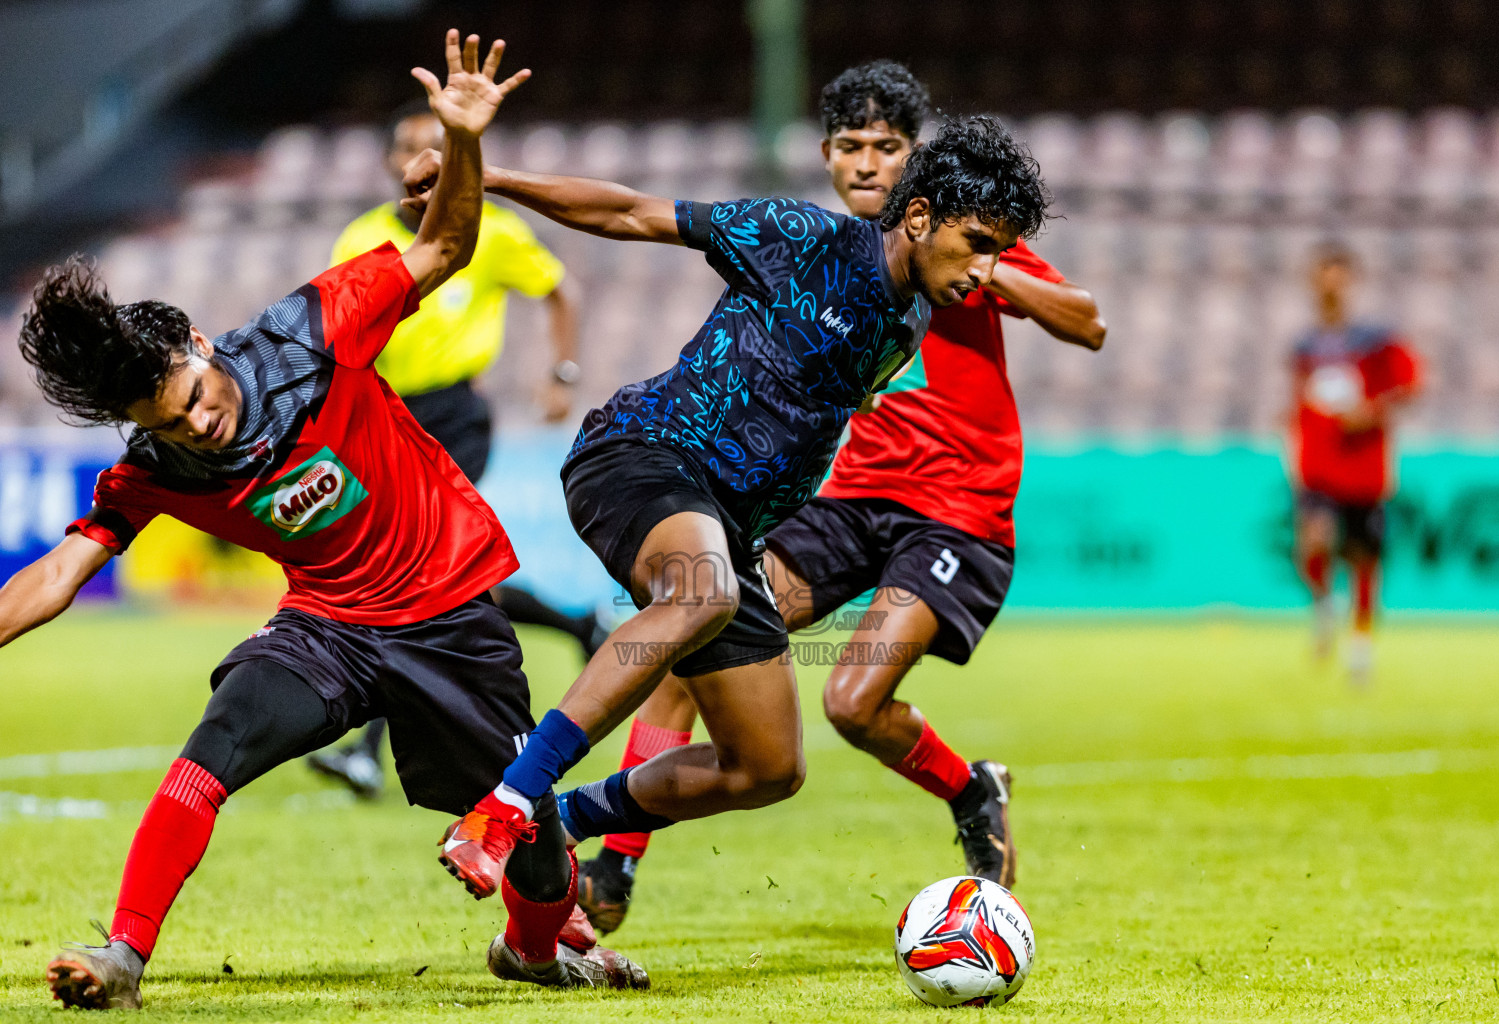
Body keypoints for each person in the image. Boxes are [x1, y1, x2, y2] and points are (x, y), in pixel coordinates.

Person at [0, 32, 643, 1010]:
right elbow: (61, 569)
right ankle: (124, 957)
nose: (197, 427)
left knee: (543, 857)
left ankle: (537, 944)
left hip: (454, 614)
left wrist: (464, 144)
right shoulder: (157, 466)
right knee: (212, 747)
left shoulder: (315, 329)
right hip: (329, 629)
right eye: (168, 425)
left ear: (202, 342)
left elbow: (443, 247)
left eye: (194, 397)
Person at [417, 108, 1052, 908]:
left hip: (731, 527)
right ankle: (504, 807)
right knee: (702, 593)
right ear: (919, 218)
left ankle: (562, 823)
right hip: (643, 453)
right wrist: (489, 174)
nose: (988, 273)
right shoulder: (803, 235)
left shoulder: (913, 318)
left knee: (767, 766)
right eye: (981, 245)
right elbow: (630, 212)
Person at [576, 62, 1107, 932]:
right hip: (848, 496)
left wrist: (988, 264)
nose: (869, 166)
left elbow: (1087, 321)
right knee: (698, 632)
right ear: (828, 158)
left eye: (889, 148)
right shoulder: (819, 249)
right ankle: (613, 869)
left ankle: (970, 788)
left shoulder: (959, 242)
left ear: (916, 166)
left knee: (851, 702)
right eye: (853, 148)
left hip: (954, 504)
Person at [308, 102, 606, 800]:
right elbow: (337, 326)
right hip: (382, 414)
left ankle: (368, 749)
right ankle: (577, 623)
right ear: (391, 164)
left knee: (406, 565)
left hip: (454, 417)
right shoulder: (361, 237)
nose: (423, 164)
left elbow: (562, 291)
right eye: (410, 149)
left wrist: (562, 374)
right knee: (437, 575)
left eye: (437, 150)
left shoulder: (492, 231)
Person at [1289, 242, 1420, 681]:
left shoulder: (1376, 340)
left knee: (1364, 559)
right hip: (1319, 466)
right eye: (1324, 277)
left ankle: (1360, 645)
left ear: (1350, 282)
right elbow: (1300, 401)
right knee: (1315, 540)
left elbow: (1411, 384)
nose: (1331, 287)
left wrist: (1372, 411)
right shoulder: (1305, 344)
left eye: (1338, 277)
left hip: (1364, 468)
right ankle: (1326, 605)